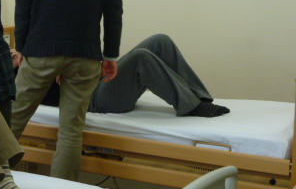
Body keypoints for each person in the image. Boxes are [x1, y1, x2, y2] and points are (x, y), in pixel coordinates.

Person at [11, 0, 123, 181]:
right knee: (71, 132)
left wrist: (22, 48)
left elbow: (23, 4)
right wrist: (110, 55)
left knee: (10, 123)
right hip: (85, 56)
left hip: (40, 51)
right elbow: (113, 10)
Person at [23, 34, 230, 117]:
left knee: (160, 41)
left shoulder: (37, 57)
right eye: (9, 54)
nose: (12, 52)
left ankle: (197, 96)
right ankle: (190, 107)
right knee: (141, 58)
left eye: (12, 50)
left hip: (99, 81)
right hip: (94, 100)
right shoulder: (24, 77)